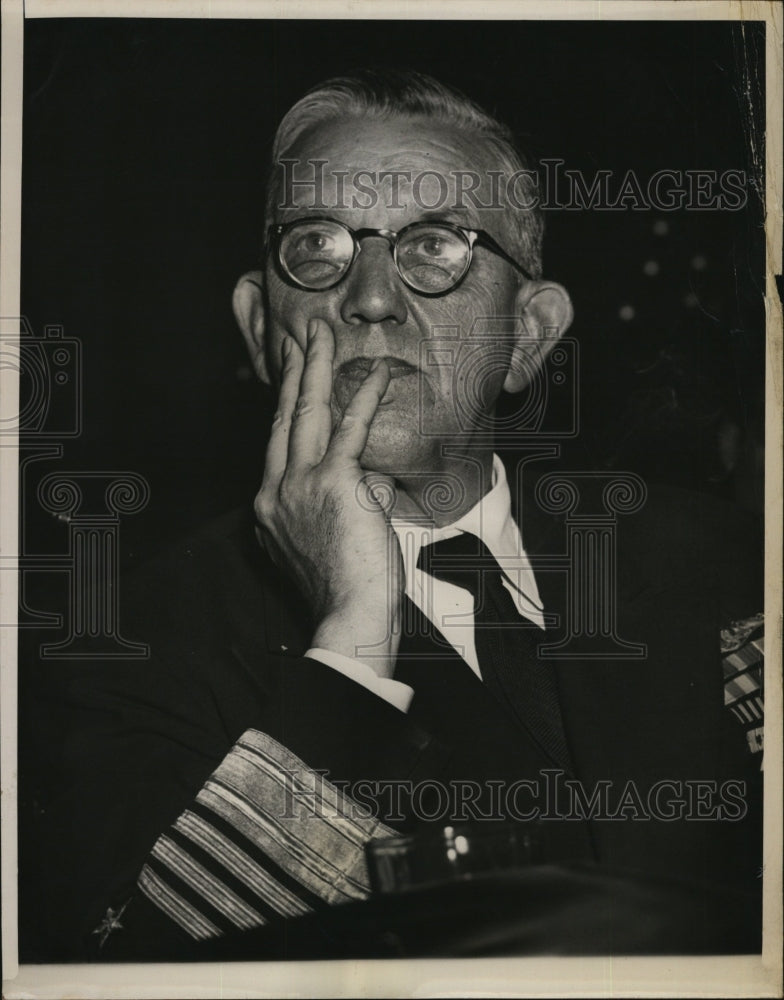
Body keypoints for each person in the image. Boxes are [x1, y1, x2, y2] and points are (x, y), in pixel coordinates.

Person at [25, 70, 764, 961]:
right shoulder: (124, 640)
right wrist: (349, 648)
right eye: (317, 249)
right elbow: (125, 969)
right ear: (262, 327)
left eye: (436, 248)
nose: (370, 296)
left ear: (527, 334)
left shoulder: (730, 558)